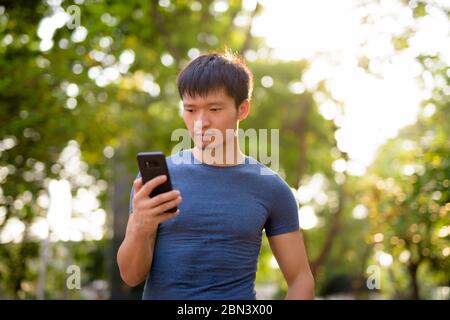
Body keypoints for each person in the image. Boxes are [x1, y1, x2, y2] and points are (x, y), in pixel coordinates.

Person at [117, 51, 315, 300]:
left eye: (214, 108)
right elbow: (130, 276)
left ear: (242, 109)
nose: (200, 122)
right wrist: (140, 226)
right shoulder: (156, 181)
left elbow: (300, 279)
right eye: (190, 109)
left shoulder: (272, 188)